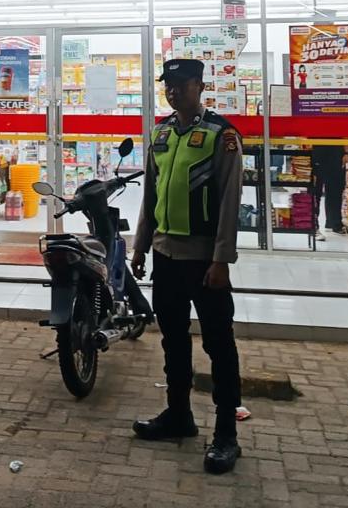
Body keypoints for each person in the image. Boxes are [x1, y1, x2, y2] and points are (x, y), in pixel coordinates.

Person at [131, 58, 244, 475]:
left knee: (219, 345)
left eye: (181, 84)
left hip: (204, 261)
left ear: (200, 85)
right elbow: (151, 195)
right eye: (169, 84)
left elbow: (230, 201)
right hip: (166, 256)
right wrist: (141, 247)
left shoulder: (221, 135)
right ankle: (178, 414)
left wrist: (222, 259)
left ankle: (227, 433)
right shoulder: (161, 133)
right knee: (173, 340)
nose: (173, 91)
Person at [310, 143, 348, 238]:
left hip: (336, 152)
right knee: (315, 192)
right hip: (316, 151)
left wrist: (347, 153)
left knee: (335, 190)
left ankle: (334, 223)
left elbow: (346, 135)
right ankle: (313, 226)